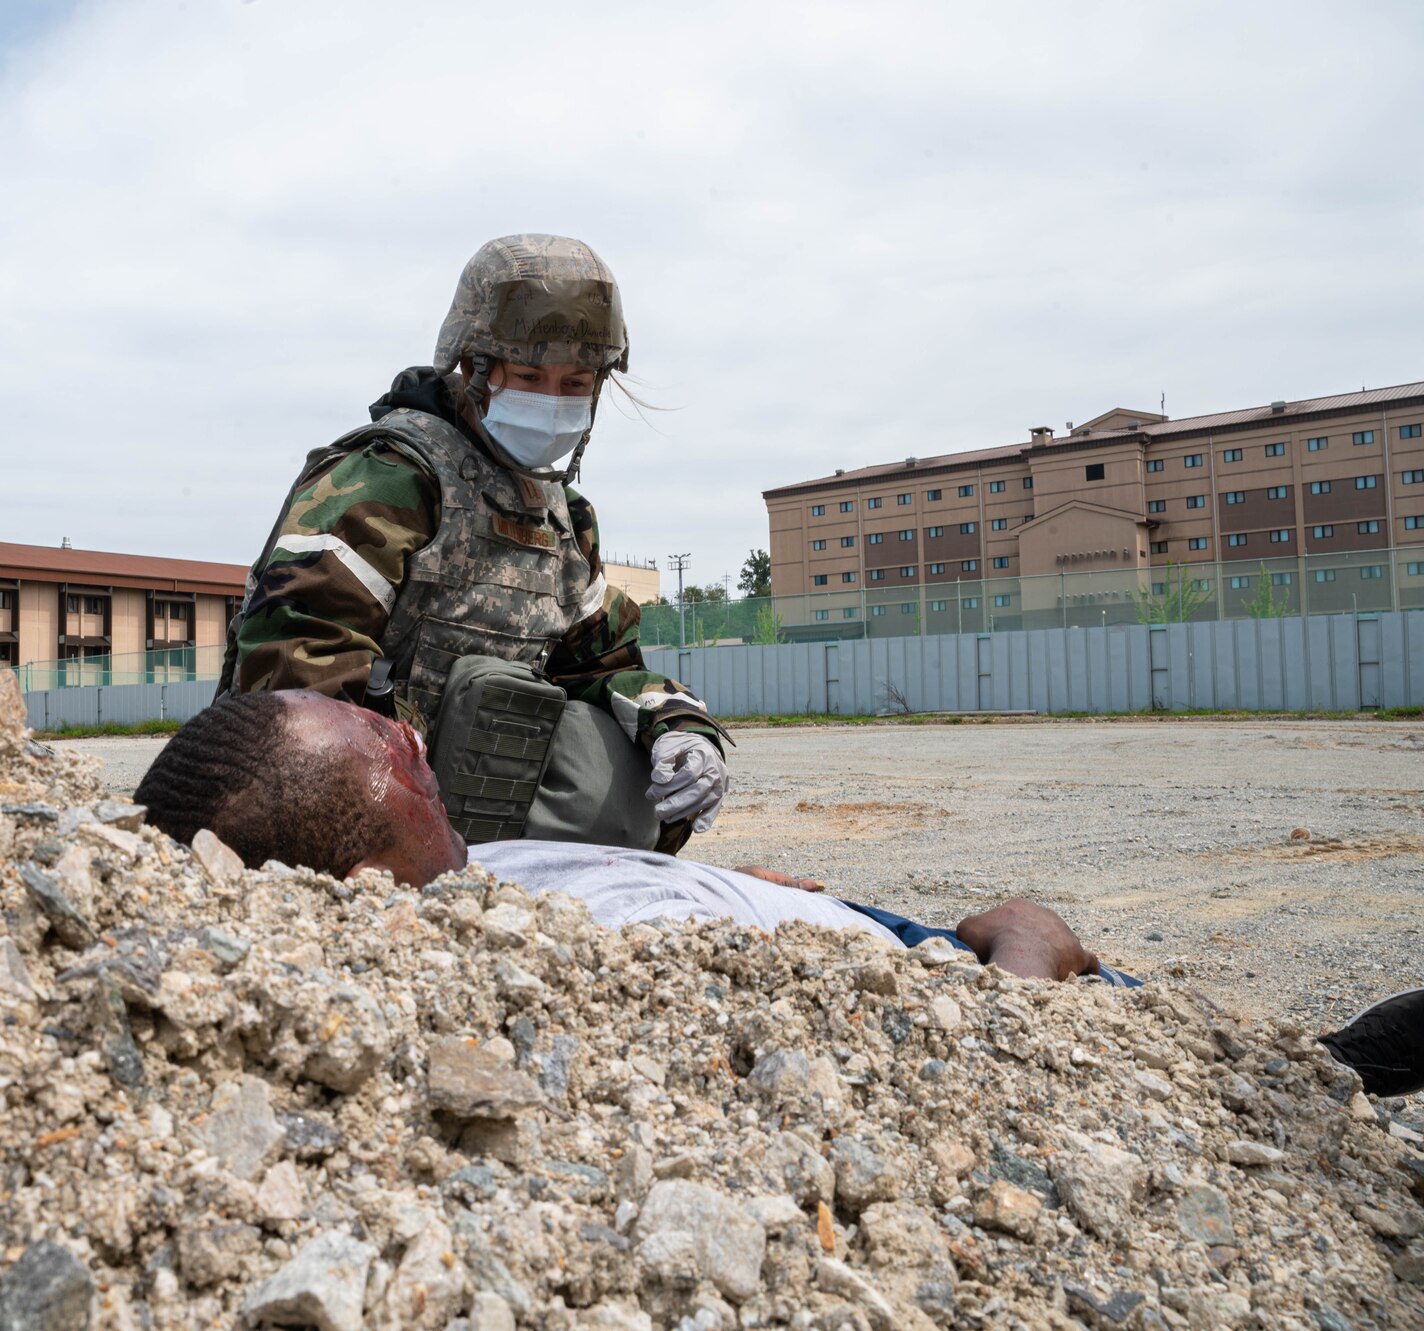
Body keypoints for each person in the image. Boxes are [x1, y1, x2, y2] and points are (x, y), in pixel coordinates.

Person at [133, 689, 1424, 1095]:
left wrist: (747, 874)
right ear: (361, 862)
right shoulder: (585, 957)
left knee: (1299, 1067)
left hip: (894, 934)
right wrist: (1025, 950)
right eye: (383, 740)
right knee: (1291, 1084)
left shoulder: (487, 872)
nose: (411, 725)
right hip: (986, 980)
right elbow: (964, 1061)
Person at [218, 234, 727, 852]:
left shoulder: (565, 519)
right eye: (532, 376)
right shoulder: (387, 478)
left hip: (475, 816)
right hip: (346, 804)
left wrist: (676, 726)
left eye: (576, 383)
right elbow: (292, 677)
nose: (554, 401)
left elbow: (603, 669)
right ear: (474, 368)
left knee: (629, 784)